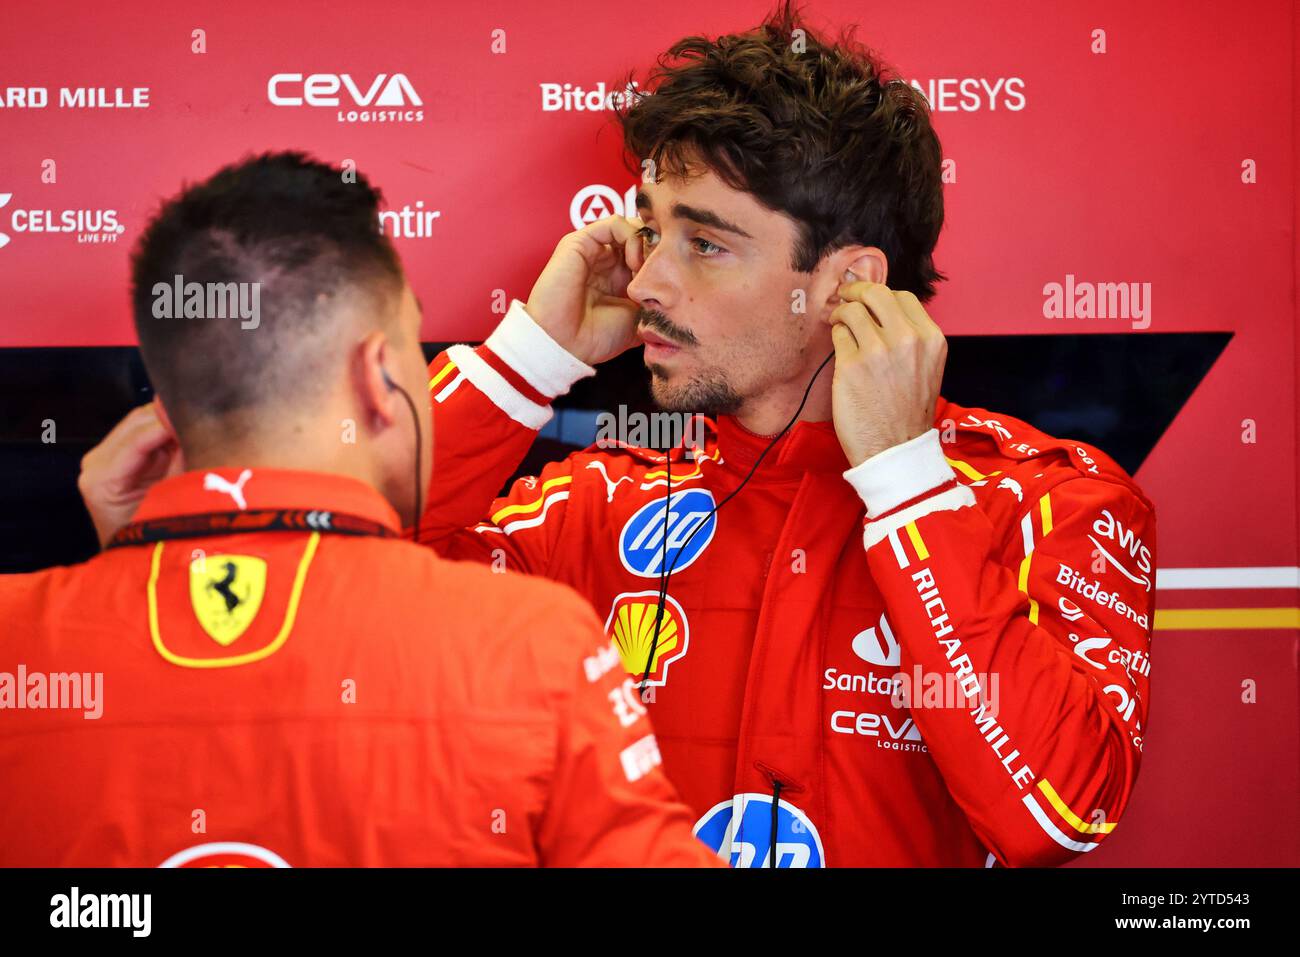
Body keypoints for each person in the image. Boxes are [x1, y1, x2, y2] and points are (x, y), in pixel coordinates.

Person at [82, 9, 1156, 868]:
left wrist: (908, 491)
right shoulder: (601, 505)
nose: (644, 280)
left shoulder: (1043, 503)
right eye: (652, 229)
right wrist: (524, 360)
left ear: (846, 287)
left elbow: (1054, 818)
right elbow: (334, 586)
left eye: (705, 243)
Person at [0, 152, 720, 868]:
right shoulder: (530, 645)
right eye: (415, 344)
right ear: (379, 377)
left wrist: (134, 564)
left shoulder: (19, 642)